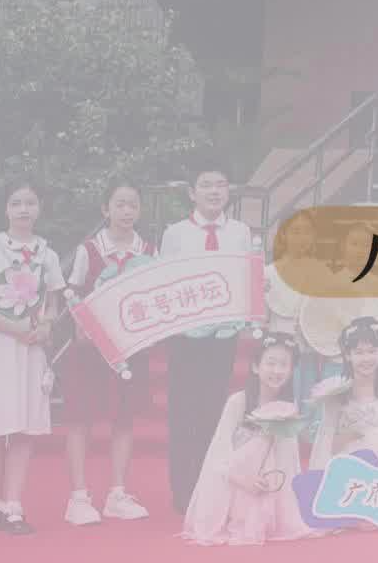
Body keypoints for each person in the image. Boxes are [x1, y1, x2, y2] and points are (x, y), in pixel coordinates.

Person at [0, 183, 64, 535]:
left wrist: (45, 326)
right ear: (6, 209)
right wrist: (13, 327)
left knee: (23, 427)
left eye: (30, 203)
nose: (23, 209)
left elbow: (52, 304)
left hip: (30, 350)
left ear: (39, 208)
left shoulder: (48, 255)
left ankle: (15, 505)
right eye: (16, 203)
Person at [60, 182, 154, 526]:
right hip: (90, 349)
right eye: (120, 204)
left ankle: (117, 493)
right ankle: (78, 497)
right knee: (80, 418)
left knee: (124, 418)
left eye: (133, 205)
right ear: (106, 209)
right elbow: (71, 294)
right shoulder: (89, 250)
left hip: (129, 348)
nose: (127, 211)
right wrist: (81, 328)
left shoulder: (149, 250)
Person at [161, 163, 253, 515]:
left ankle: (211, 486)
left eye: (221, 184)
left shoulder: (241, 232)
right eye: (206, 185)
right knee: (183, 411)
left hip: (223, 335)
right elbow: (165, 281)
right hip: (185, 337)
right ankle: (183, 491)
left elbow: (246, 276)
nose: (214, 191)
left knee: (215, 409)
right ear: (192, 192)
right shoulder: (175, 234)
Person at [181, 333, 309, 546]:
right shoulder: (238, 402)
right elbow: (219, 451)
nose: (277, 371)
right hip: (235, 478)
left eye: (283, 365)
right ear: (256, 366)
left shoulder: (288, 407)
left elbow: (288, 460)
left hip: (270, 481)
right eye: (271, 363)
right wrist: (243, 477)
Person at [309, 316, 378, 468]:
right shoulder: (336, 392)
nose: (366, 359)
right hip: (348, 466)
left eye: (372, 351)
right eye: (359, 352)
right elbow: (327, 441)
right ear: (348, 355)